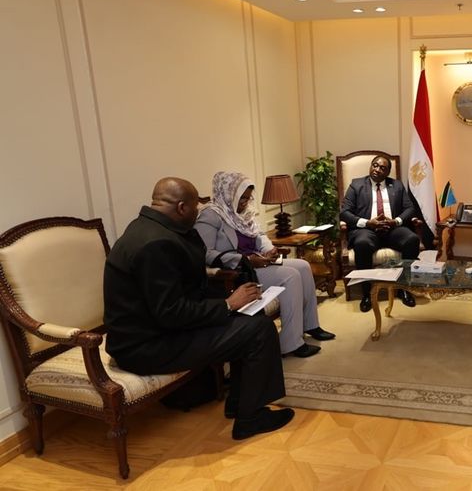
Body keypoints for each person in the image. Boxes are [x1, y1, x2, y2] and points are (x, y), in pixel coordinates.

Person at [104, 177, 295, 441]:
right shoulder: (154, 244)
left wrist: (233, 303)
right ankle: (250, 419)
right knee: (259, 330)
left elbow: (184, 290)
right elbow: (171, 313)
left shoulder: (152, 228)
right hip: (146, 346)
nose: (198, 213)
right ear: (182, 207)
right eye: (195, 208)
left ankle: (240, 403)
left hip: (159, 331)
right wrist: (227, 304)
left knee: (250, 316)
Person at [195, 171, 335, 359]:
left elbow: (260, 235)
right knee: (290, 275)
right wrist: (245, 260)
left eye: (247, 198)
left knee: (302, 265)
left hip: (258, 261)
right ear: (228, 194)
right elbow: (204, 252)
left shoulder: (244, 213)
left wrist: (269, 251)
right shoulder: (211, 215)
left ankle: (311, 325)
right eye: (241, 198)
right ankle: (290, 343)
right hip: (238, 270)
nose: (245, 202)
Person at [340, 154, 421, 312]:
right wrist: (367, 222)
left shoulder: (396, 185)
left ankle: (403, 288)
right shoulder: (356, 185)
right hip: (367, 229)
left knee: (412, 239)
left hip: (392, 229)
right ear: (371, 166)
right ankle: (367, 293)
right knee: (362, 244)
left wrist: (395, 221)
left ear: (388, 172)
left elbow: (410, 208)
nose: (377, 169)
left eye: (382, 168)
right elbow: (345, 212)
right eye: (375, 165)